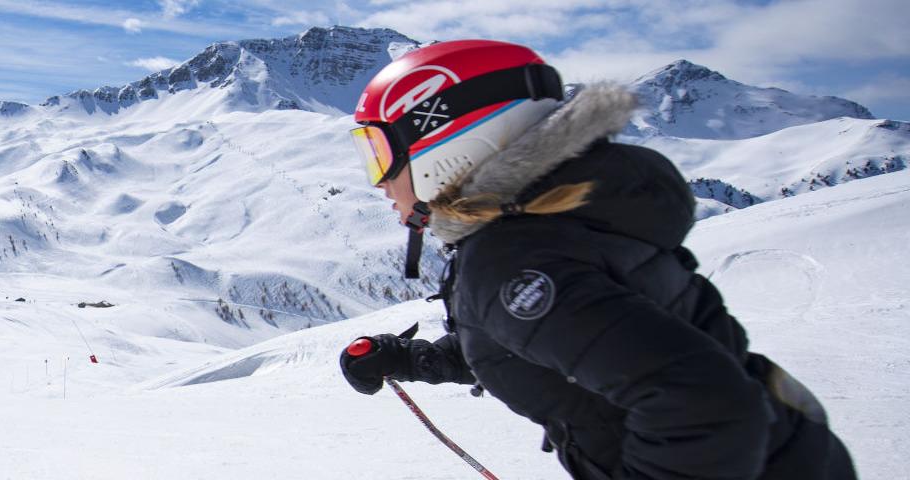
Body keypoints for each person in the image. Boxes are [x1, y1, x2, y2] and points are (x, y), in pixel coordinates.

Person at [336, 40, 855, 479]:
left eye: (380, 154)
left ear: (443, 140)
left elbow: (702, 404)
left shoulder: (514, 257)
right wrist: (410, 359)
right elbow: (548, 341)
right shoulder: (555, 221)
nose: (380, 183)